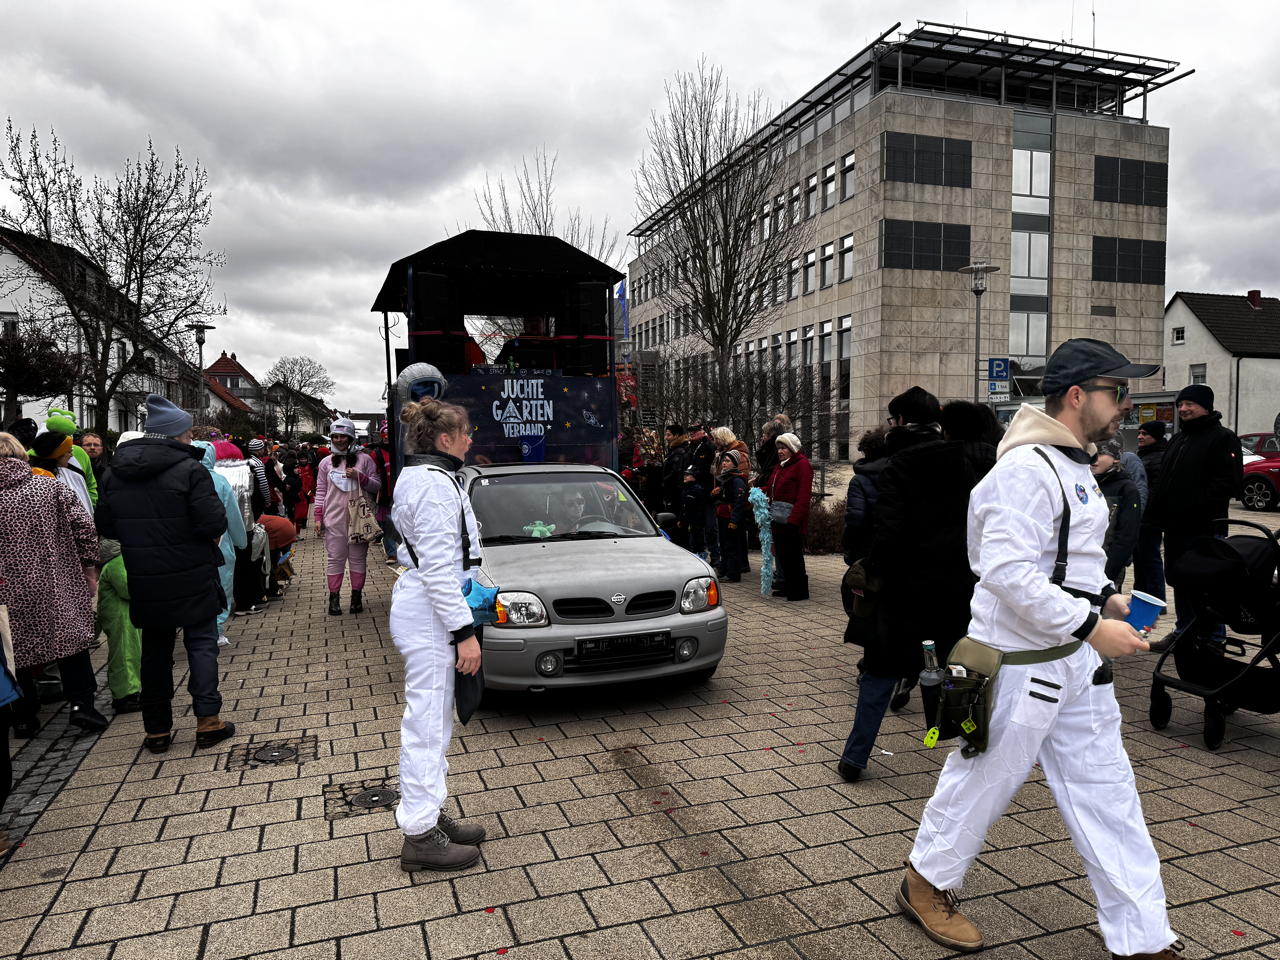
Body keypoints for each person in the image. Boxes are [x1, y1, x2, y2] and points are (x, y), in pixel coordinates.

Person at [899, 339, 1177, 960]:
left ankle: (1142, 935)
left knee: (1109, 791)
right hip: (1018, 665)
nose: (1127, 404)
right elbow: (1005, 573)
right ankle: (926, 882)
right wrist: (1090, 624)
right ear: (1078, 396)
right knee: (981, 782)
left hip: (1070, 664)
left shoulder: (1071, 465)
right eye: (1117, 391)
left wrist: (1104, 597)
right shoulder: (1026, 471)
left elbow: (1068, 559)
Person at [837, 402, 996, 783]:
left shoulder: (904, 464)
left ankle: (855, 757)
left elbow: (889, 531)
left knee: (879, 669)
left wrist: (871, 569)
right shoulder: (987, 467)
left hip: (904, 588)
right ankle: (968, 750)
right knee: (958, 666)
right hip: (960, 585)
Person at [95, 394, 233, 754]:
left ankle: (156, 730)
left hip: (144, 574)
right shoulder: (191, 471)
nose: (190, 441)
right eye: (188, 436)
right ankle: (208, 721)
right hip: (192, 571)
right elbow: (213, 522)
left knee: (155, 651)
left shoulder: (114, 473)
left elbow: (106, 525)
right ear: (174, 436)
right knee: (201, 644)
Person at [390, 397, 487, 872]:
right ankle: (420, 834)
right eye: (466, 433)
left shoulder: (431, 479)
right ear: (445, 439)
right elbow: (436, 570)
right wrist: (463, 631)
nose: (471, 441)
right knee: (426, 725)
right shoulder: (432, 486)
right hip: (432, 613)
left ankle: (427, 812)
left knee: (435, 723)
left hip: (432, 609)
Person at [0, 431, 104, 737]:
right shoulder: (50, 488)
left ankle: (24, 715)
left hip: (6, 592)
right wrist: (88, 566)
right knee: (71, 644)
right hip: (57, 581)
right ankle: (81, 707)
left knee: (12, 652)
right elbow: (85, 528)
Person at [1144, 384, 1243, 650]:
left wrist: (1193, 507)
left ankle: (1212, 638)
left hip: (1204, 528)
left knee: (1208, 583)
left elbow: (1228, 483)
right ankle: (1184, 632)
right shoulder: (1179, 438)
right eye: (1181, 404)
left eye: (1190, 404)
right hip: (1175, 528)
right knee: (1180, 580)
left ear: (1206, 406)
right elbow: (1164, 481)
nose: (1184, 409)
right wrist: (1155, 516)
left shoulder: (1223, 437)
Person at [314, 418, 381, 616]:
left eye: (343, 436)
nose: (339, 439)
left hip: (359, 519)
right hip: (334, 519)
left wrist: (360, 477)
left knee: (358, 559)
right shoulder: (326, 463)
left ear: (351, 436)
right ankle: (333, 599)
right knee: (335, 559)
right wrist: (318, 516)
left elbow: (376, 486)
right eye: (335, 436)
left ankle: (356, 598)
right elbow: (320, 490)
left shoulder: (365, 460)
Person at [194, 441, 249, 642]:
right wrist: (241, 540)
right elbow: (232, 515)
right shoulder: (220, 481)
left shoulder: (179, 479)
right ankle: (216, 630)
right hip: (220, 543)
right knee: (222, 585)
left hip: (189, 545)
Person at [841, 426, 890, 647]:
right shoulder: (898, 472)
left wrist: (848, 546)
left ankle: (870, 648)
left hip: (866, 548)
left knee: (860, 598)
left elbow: (855, 519)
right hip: (890, 545)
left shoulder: (860, 480)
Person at [96, 538, 142, 712]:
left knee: (130, 652)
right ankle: (125, 695)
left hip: (123, 615)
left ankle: (130, 691)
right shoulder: (118, 561)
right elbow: (128, 588)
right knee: (125, 654)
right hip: (121, 616)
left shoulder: (115, 561)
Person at [1093, 438, 1142, 590]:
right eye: (1091, 453)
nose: (1093, 459)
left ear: (1115, 458)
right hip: (1084, 565)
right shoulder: (1087, 483)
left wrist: (1109, 571)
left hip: (1108, 566)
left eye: (1100, 454)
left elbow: (1127, 536)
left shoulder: (1126, 489)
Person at [768, 432, 812, 601]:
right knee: (783, 555)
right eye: (778, 448)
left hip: (792, 519)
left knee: (794, 556)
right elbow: (773, 488)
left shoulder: (802, 465)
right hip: (778, 517)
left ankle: (799, 591)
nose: (780, 451)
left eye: (784, 448)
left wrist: (794, 520)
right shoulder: (780, 466)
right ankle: (787, 586)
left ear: (792, 449)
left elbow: (803, 496)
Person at [1132, 421, 1170, 601]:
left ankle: (1157, 598)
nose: (1140, 436)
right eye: (1139, 433)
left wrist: (1146, 512)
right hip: (1142, 516)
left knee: (1150, 557)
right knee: (1140, 557)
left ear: (1155, 436)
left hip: (1150, 517)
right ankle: (1141, 596)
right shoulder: (1145, 455)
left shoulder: (1159, 457)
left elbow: (1155, 490)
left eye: (1145, 434)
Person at [29, 431, 93, 515]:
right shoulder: (41, 478)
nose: (71, 456)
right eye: (69, 452)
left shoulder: (69, 472)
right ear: (57, 455)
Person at [686, 423, 720, 567]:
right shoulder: (691, 448)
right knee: (696, 527)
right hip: (694, 493)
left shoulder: (709, 447)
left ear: (702, 432)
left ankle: (716, 557)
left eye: (695, 432)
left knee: (711, 527)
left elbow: (710, 469)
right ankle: (699, 556)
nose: (692, 434)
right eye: (690, 432)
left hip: (707, 493)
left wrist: (695, 475)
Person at [711, 451, 748, 582]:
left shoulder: (737, 479)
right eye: (723, 461)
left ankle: (733, 573)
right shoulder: (725, 478)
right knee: (724, 545)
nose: (724, 463)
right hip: (722, 516)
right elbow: (724, 497)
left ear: (735, 464)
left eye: (727, 461)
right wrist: (716, 494)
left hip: (730, 517)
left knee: (731, 546)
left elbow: (739, 502)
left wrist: (734, 520)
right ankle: (724, 569)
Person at [661, 424, 690, 534]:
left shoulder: (679, 451)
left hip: (676, 492)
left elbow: (675, 472)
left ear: (676, 435)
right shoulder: (675, 450)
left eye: (668, 435)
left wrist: (664, 482)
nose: (666, 437)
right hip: (675, 491)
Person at [679, 466, 708, 557]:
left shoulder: (697, 489)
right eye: (685, 474)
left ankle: (700, 555)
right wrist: (681, 519)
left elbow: (701, 508)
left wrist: (699, 522)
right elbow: (684, 507)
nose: (685, 476)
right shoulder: (685, 489)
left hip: (696, 523)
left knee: (697, 543)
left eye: (688, 474)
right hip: (688, 522)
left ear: (694, 477)